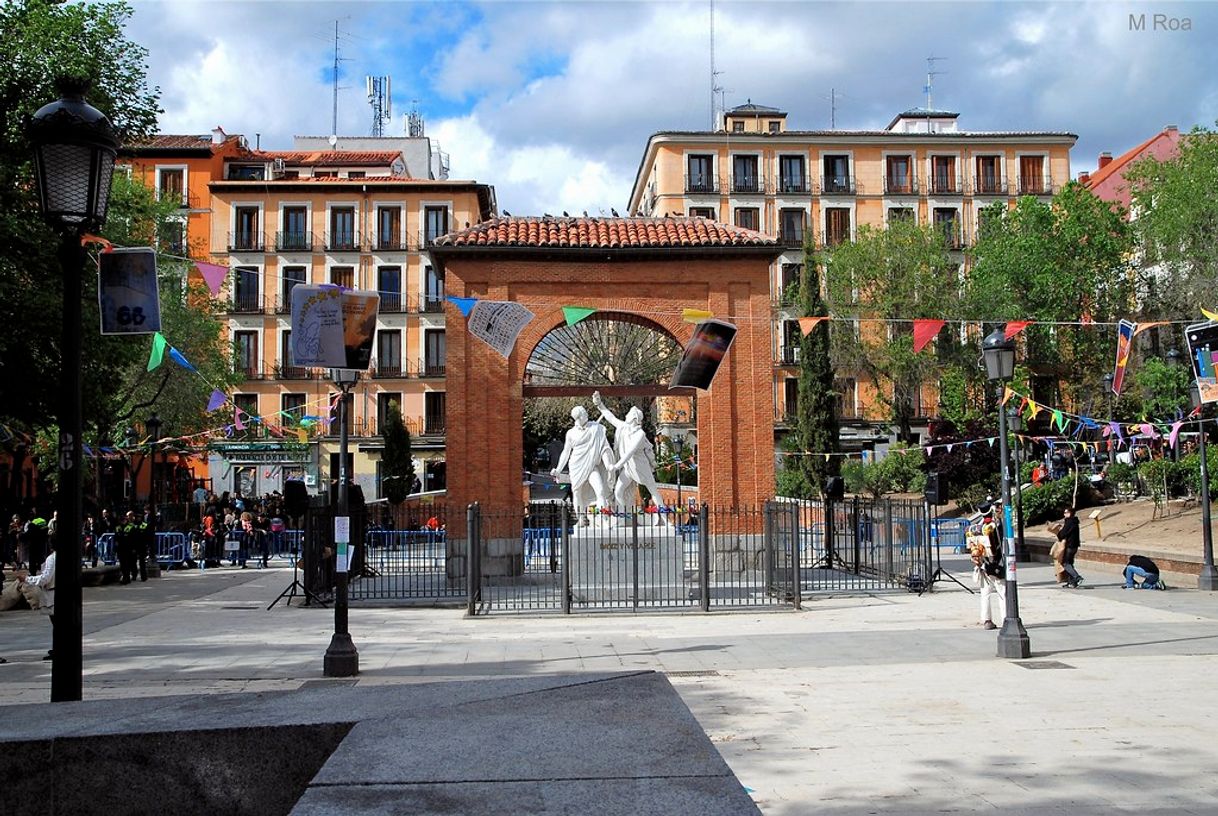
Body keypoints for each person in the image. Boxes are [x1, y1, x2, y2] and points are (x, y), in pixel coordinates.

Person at [592, 391, 665, 514]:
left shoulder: (640, 434)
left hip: (641, 467)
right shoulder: (624, 428)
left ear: (634, 418)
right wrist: (599, 404)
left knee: (654, 491)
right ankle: (623, 515)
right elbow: (611, 417)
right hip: (628, 468)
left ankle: (664, 517)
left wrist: (616, 466)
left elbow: (629, 452)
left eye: (629, 414)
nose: (626, 416)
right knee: (618, 491)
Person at [550, 404, 613, 522]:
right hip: (576, 465)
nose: (587, 414)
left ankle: (604, 518)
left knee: (600, 490)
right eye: (584, 413)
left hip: (591, 465)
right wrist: (558, 469)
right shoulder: (571, 433)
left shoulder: (596, 428)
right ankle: (581, 519)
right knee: (577, 492)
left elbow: (603, 448)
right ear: (578, 418)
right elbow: (566, 452)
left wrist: (608, 464)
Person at [17, 538, 56, 661]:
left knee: (56, 623)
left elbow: (45, 578)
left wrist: (28, 579)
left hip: (53, 594)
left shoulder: (52, 559)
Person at [969, 506, 1005, 629]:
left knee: (985, 594)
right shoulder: (995, 526)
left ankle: (987, 620)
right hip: (996, 563)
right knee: (1002, 592)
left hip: (983, 563)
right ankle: (1006, 618)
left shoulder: (976, 527)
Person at [1057, 507, 1083, 588]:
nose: (1064, 514)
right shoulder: (1075, 522)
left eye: (1065, 513)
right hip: (1075, 546)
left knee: (1065, 563)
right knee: (1070, 563)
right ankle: (1072, 582)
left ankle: (1076, 577)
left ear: (1069, 513)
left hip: (1070, 546)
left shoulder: (1069, 522)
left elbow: (1062, 534)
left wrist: (1059, 533)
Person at [114, 511, 140, 584]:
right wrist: (115, 549)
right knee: (122, 564)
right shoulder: (118, 528)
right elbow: (116, 539)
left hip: (129, 549)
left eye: (124, 520)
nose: (123, 521)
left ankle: (127, 578)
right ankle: (125, 577)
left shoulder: (131, 527)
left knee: (128, 563)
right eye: (121, 520)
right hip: (120, 549)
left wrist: (134, 548)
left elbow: (134, 539)